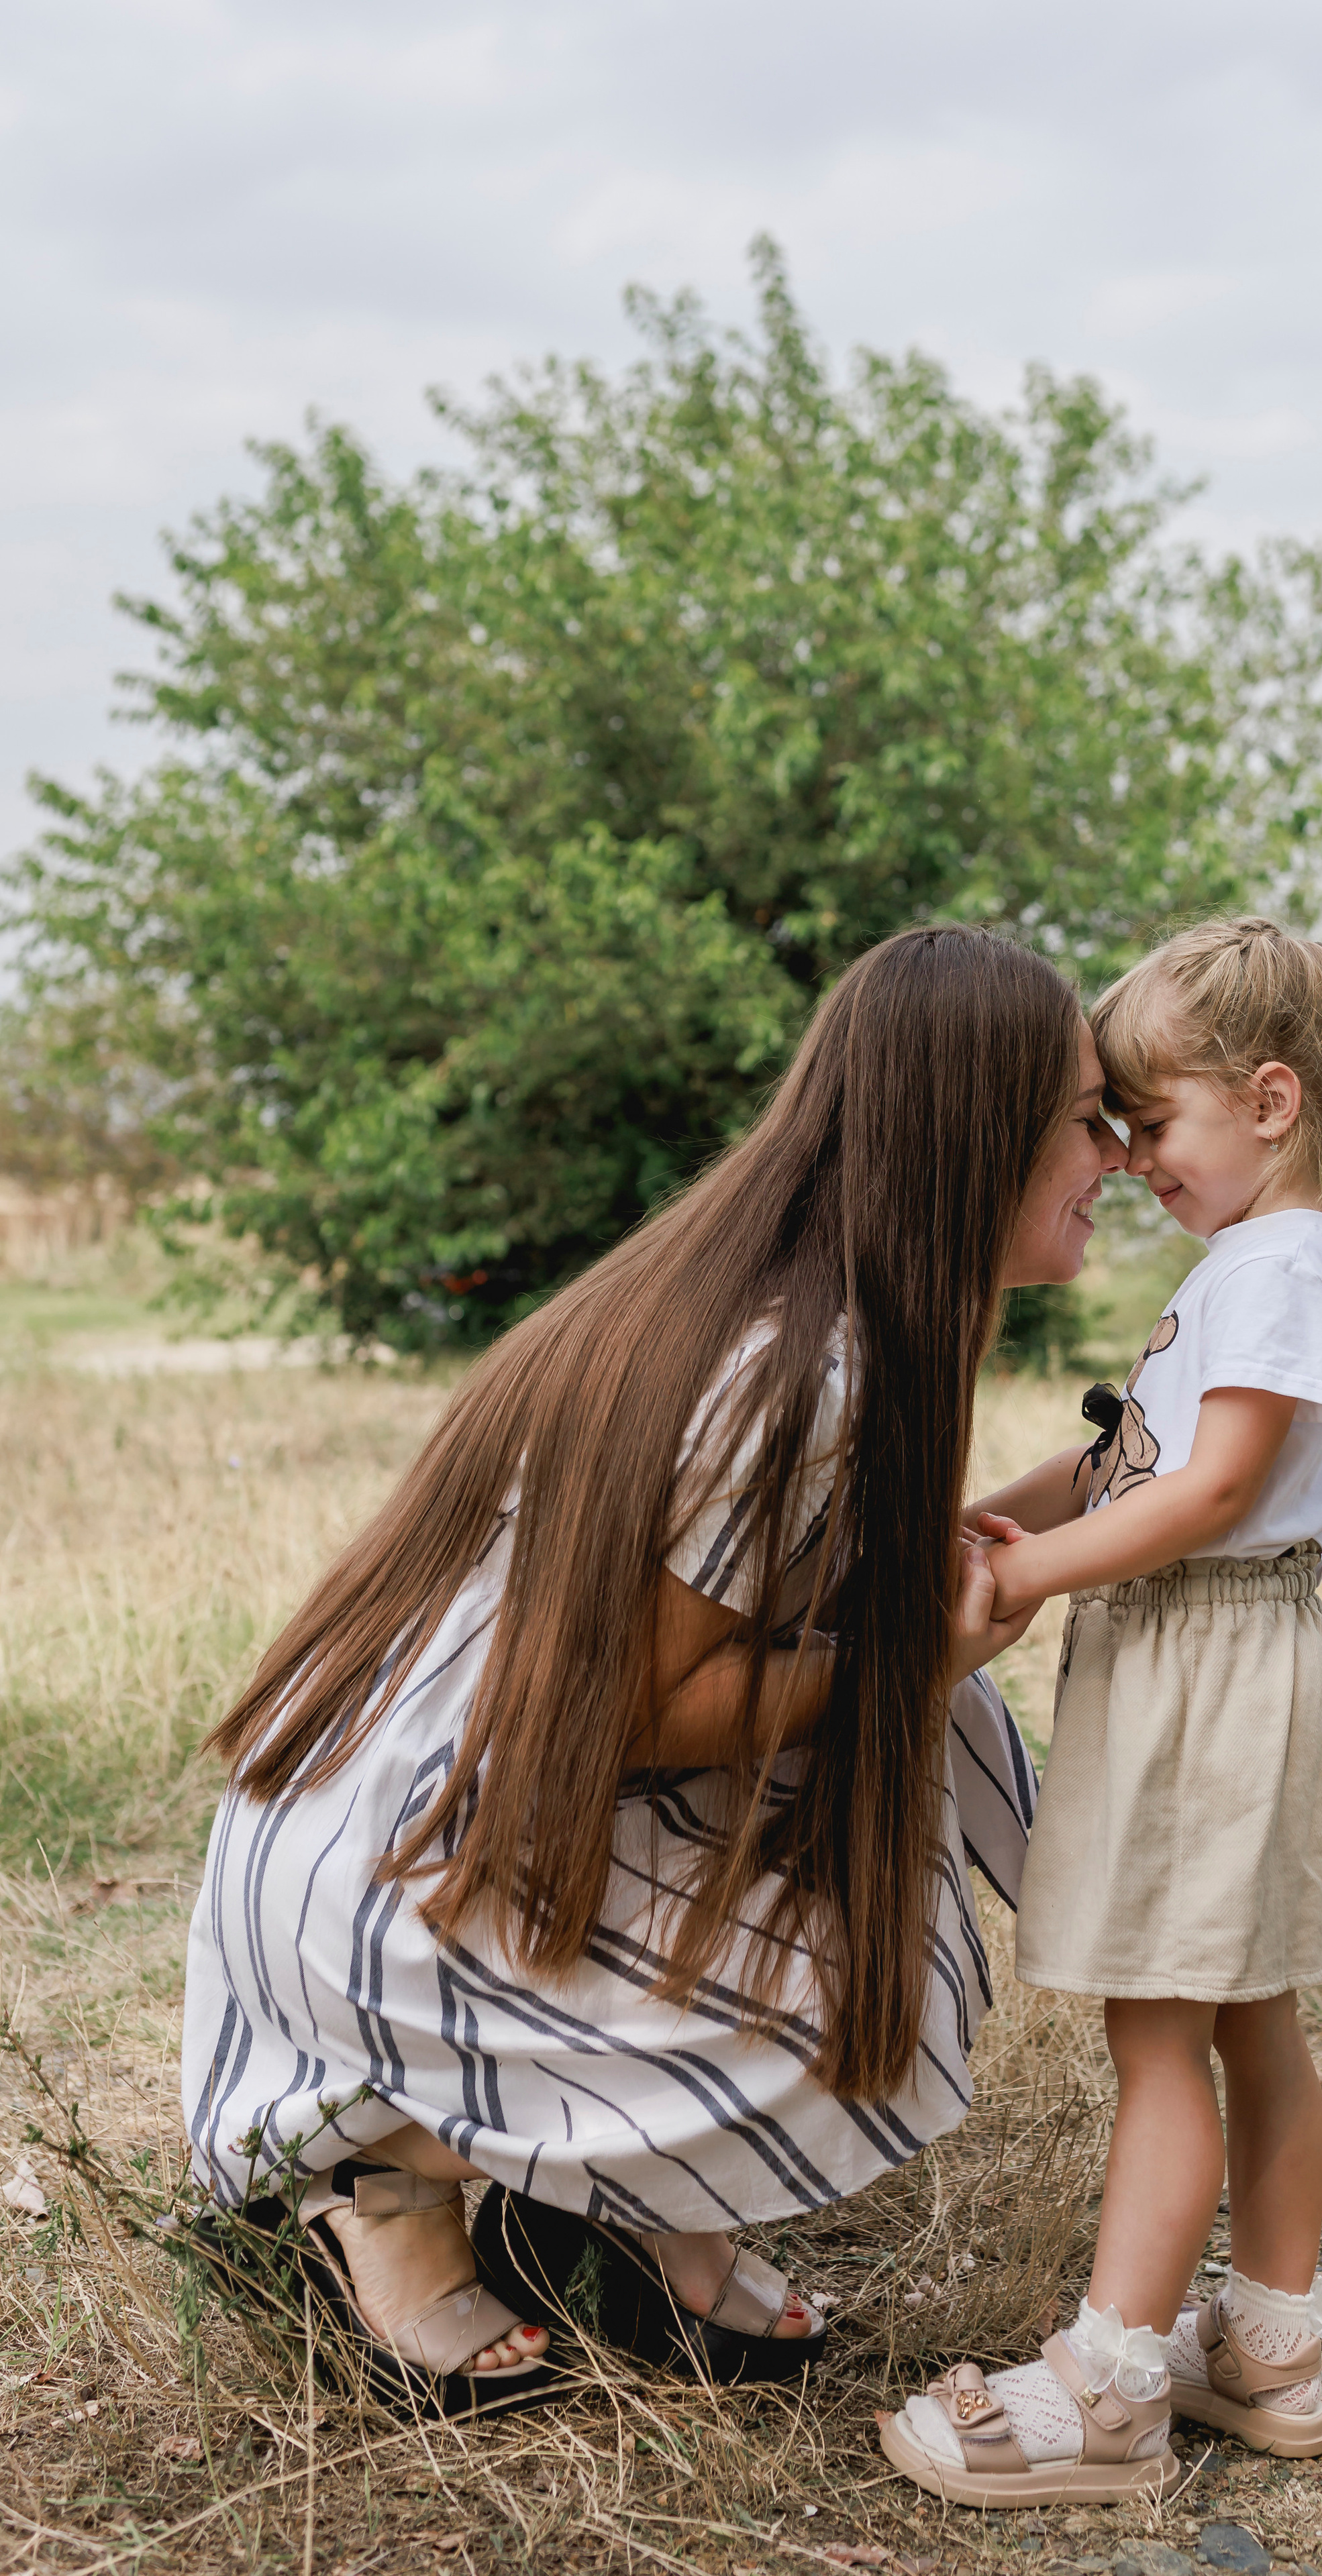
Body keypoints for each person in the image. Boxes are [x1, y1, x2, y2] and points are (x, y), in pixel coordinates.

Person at [182, 924, 1127, 2416]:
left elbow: (831, 1579)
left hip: (388, 1805)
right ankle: (387, 2168)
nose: (1120, 1153)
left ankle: (613, 2198)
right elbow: (626, 1710)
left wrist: (1107, 1477)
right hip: (398, 1862)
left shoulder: (809, 1308)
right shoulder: (804, 1368)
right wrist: (909, 1662)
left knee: (891, 1771)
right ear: (978, 1126)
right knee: (879, 1954)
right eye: (1088, 1115)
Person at [880, 918, 1322, 2506]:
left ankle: (1107, 2386)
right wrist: (989, 1515)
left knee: (1163, 2030)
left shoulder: (1282, 1266)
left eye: (1147, 1119)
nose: (1123, 1154)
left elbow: (1210, 1490)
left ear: (1269, 1100)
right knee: (1245, 2019)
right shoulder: (1248, 1263)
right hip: (1213, 1663)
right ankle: (1268, 2348)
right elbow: (1125, 1469)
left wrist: (1029, 1575)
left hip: (1212, 1672)